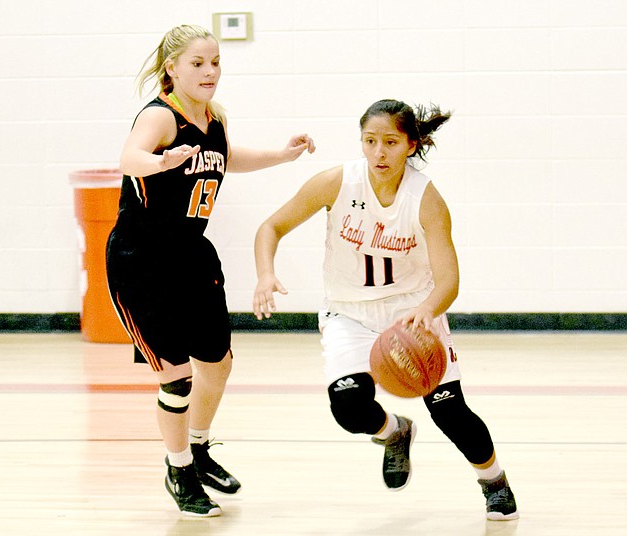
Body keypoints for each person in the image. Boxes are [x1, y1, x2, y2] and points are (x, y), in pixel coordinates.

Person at [252, 99, 518, 521]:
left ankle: (494, 482)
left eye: (390, 142)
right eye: (370, 141)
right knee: (349, 408)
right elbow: (271, 226)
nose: (379, 152)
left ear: (411, 145)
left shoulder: (426, 199)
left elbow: (448, 279)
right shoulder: (335, 183)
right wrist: (265, 274)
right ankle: (395, 433)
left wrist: (428, 309)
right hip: (348, 312)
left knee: (450, 411)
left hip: (413, 312)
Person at [106, 24, 315, 518]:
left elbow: (226, 157)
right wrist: (159, 164)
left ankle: (198, 450)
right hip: (142, 262)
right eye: (198, 63)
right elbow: (128, 156)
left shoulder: (213, 117)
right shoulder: (160, 117)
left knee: (217, 363)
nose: (209, 71)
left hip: (192, 256)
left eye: (215, 62)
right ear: (172, 68)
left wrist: (280, 156)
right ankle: (178, 470)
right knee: (177, 377)